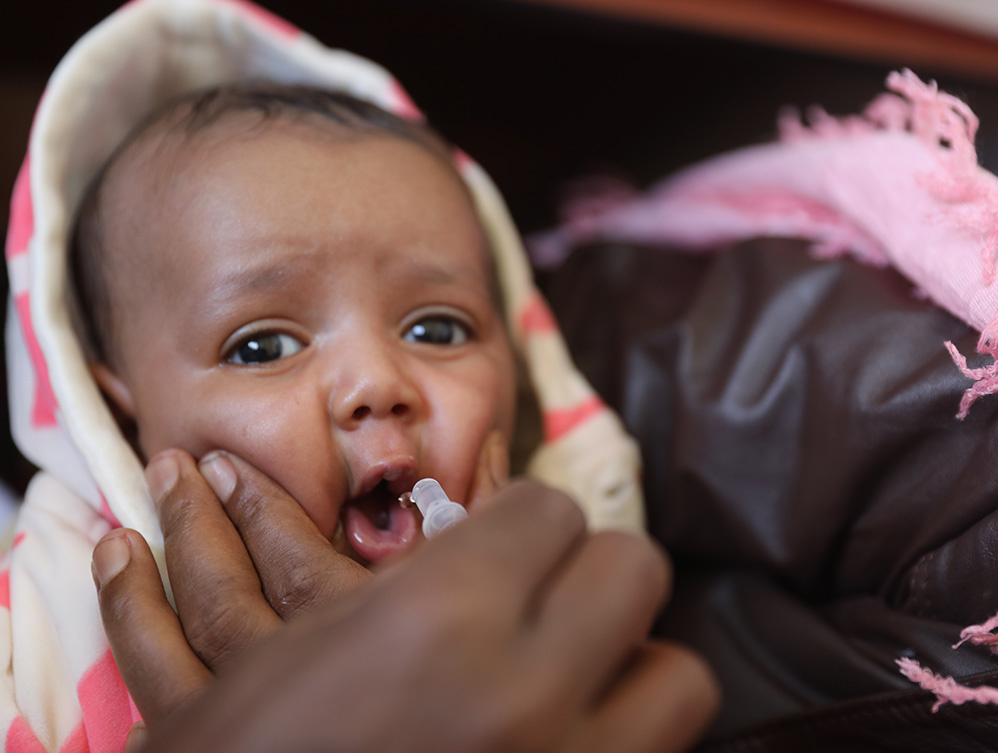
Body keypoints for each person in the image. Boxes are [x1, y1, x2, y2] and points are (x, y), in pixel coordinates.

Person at [2, 0, 717, 749]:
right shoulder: (39, 625)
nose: (378, 382)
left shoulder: (586, 598)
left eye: (436, 329)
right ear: (117, 415)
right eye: (261, 347)